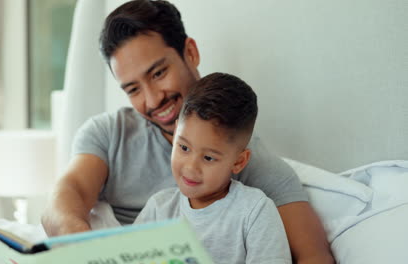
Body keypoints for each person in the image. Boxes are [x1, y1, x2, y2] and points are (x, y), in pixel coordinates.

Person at [42, 1, 334, 263]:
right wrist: (81, 248)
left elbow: (313, 254)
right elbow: (67, 196)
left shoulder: (250, 166)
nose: (153, 99)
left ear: (190, 52)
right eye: (133, 89)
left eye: (158, 74)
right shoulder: (108, 133)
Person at [134, 72, 292, 264]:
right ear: (176, 133)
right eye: (184, 147)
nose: (191, 168)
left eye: (208, 158)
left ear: (238, 162)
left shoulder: (255, 212)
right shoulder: (159, 209)